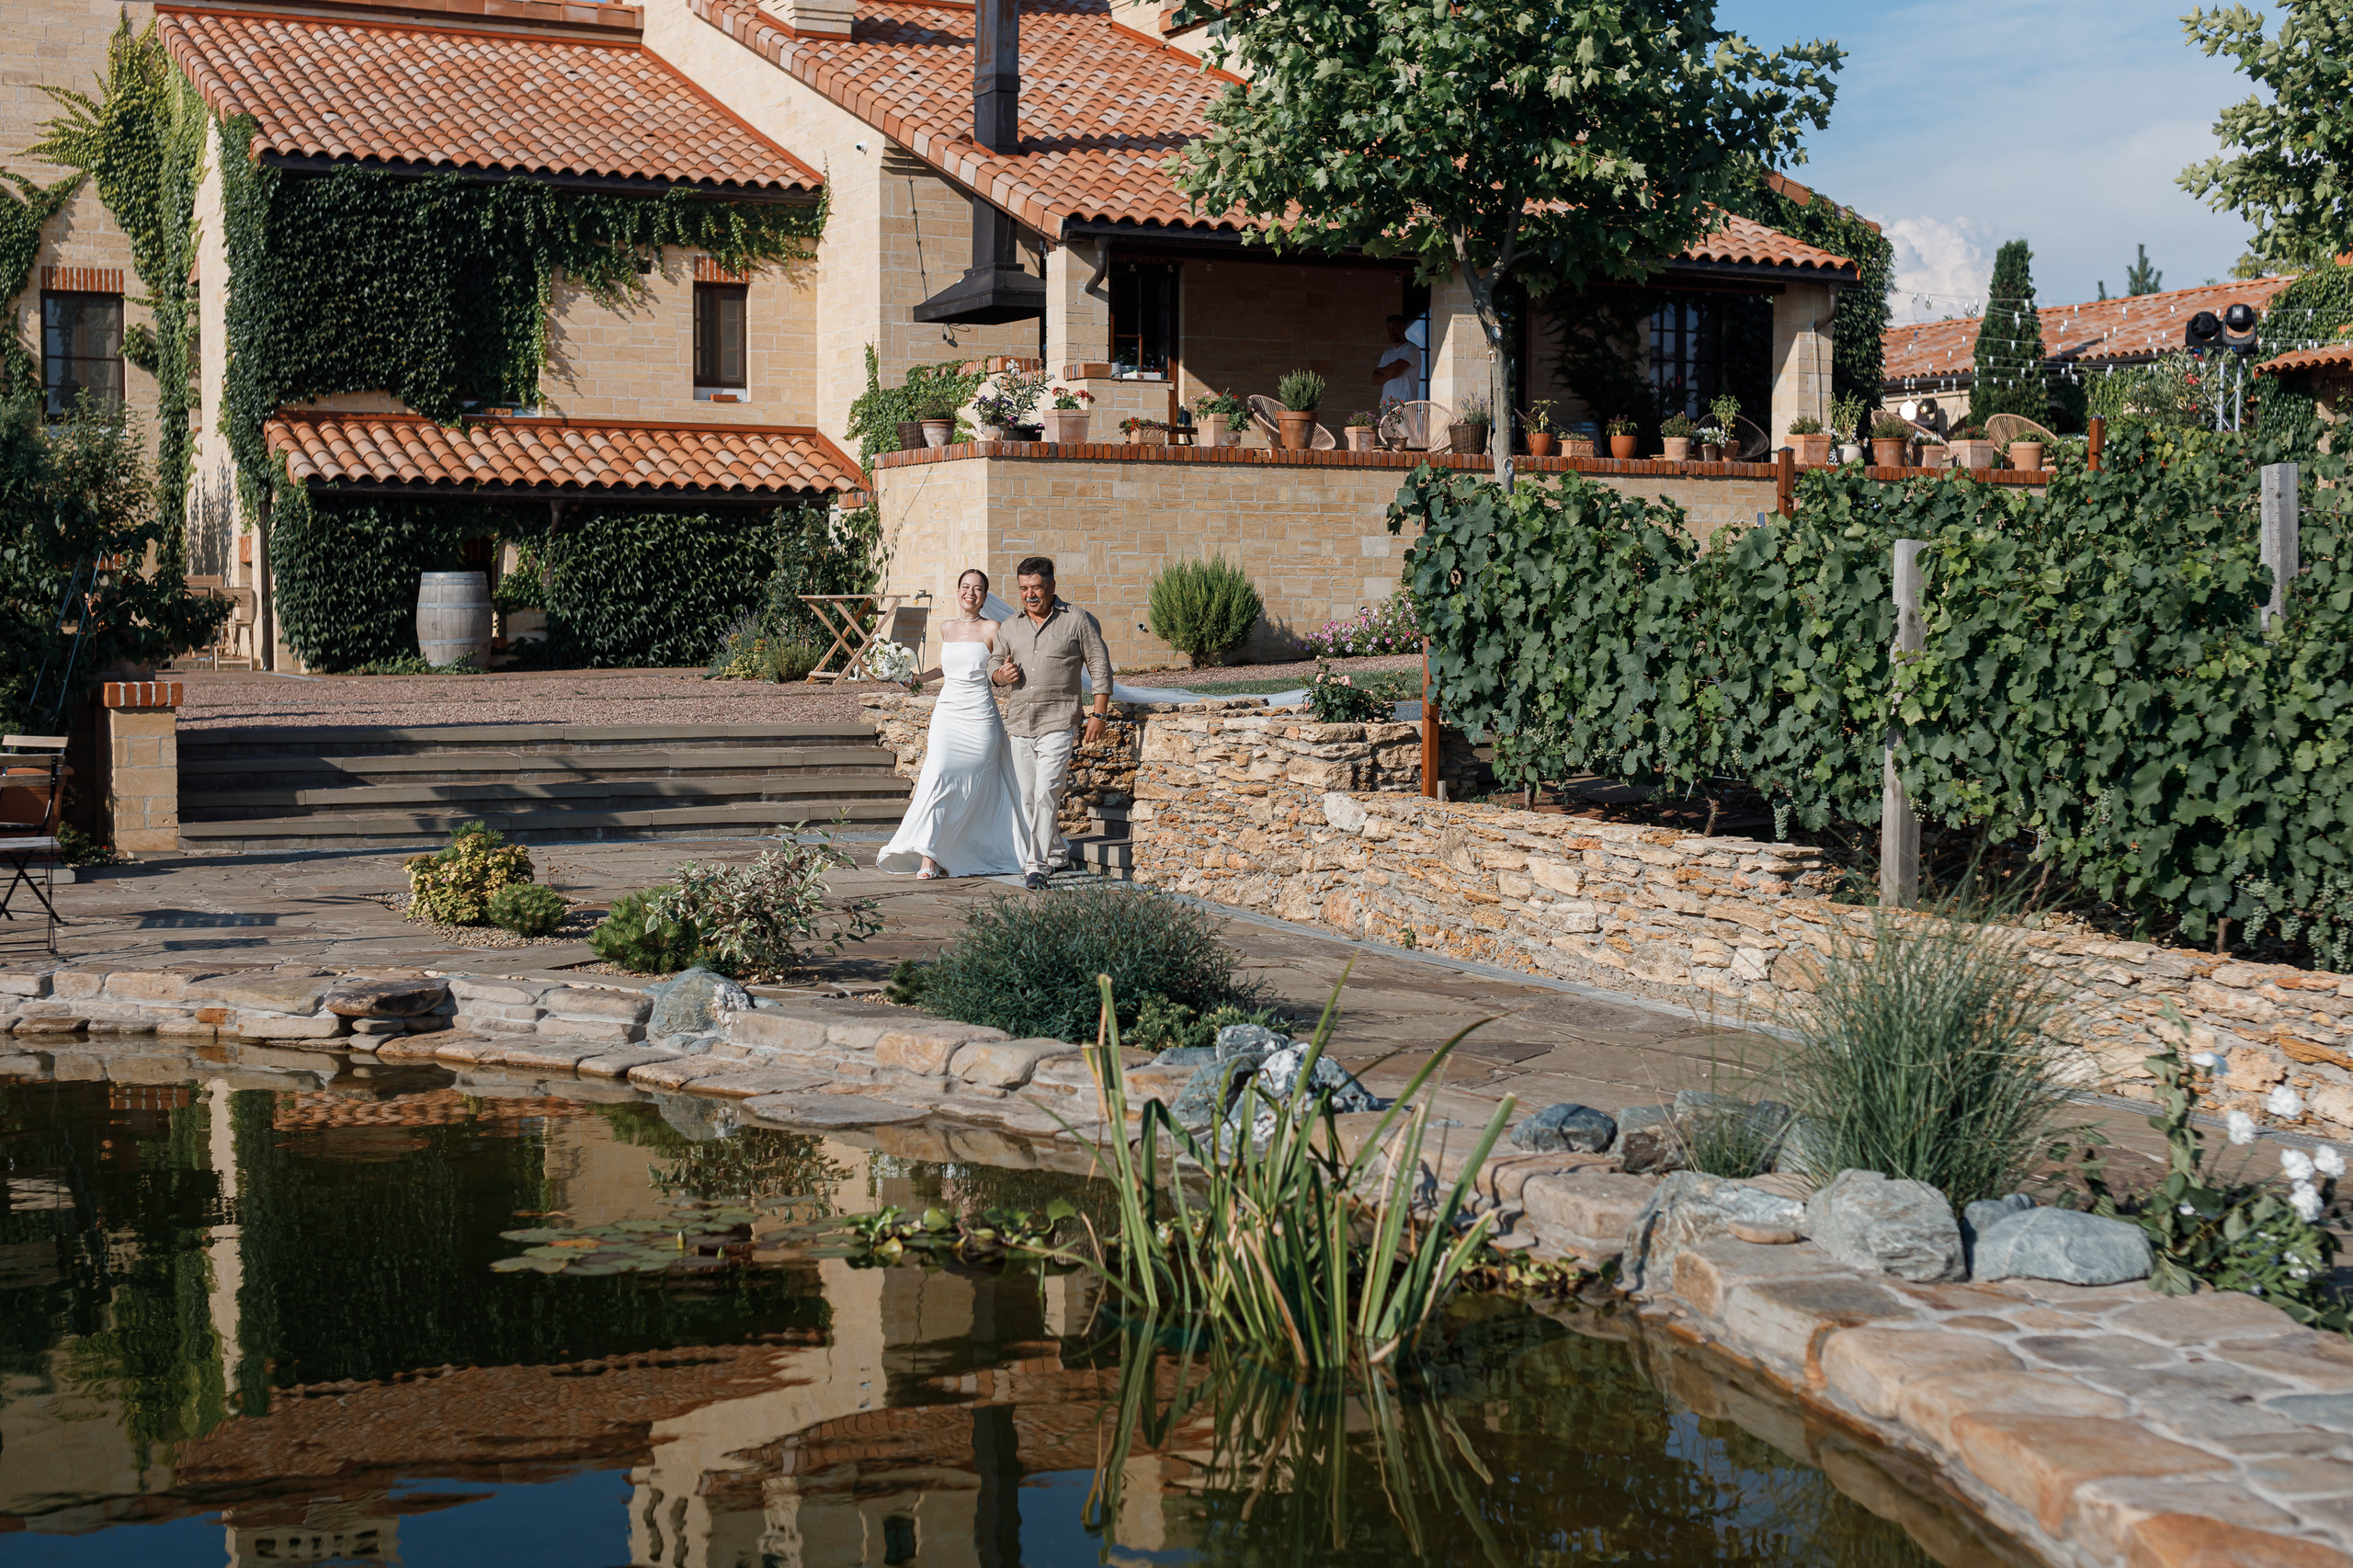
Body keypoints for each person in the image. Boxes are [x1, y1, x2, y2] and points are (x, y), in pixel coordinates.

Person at [875, 569, 1026, 879]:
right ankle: (928, 857)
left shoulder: (992, 627)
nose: (971, 593)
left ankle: (956, 848)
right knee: (938, 776)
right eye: (966, 587)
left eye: (978, 589)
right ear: (957, 591)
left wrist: (1005, 675)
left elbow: (1002, 666)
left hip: (980, 716)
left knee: (973, 787)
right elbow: (947, 666)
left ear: (985, 595)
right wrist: (917, 679)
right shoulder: (946, 627)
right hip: (948, 714)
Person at [991, 556, 1113, 890]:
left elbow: (1100, 667)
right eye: (1024, 588)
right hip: (1020, 723)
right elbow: (992, 664)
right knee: (1029, 796)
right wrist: (1001, 675)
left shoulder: (1077, 620)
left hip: (1059, 721)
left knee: (1047, 792)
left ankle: (1036, 865)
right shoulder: (1010, 626)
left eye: (1037, 587)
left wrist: (1098, 713)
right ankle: (1057, 852)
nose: (1030, 594)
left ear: (1052, 587)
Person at [1373, 314, 1421, 406]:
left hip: (1405, 403)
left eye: (1395, 327)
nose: (1392, 331)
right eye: (1389, 328)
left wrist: (1382, 371)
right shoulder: (1388, 353)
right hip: (1386, 404)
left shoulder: (1411, 349)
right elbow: (1375, 379)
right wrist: (1390, 373)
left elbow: (1395, 369)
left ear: (1403, 327)